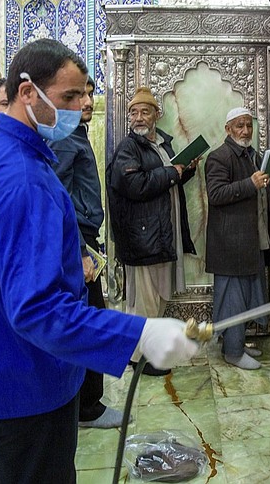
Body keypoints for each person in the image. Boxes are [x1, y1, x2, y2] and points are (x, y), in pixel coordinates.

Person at [0, 39, 198, 483]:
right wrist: (139, 333)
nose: (84, 105)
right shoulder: (23, 177)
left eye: (86, 94)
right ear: (27, 92)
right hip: (23, 388)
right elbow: (36, 308)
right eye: (70, 96)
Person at [48, 75, 123, 428]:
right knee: (90, 319)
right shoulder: (64, 141)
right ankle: (88, 408)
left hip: (84, 238)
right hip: (78, 243)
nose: (88, 102)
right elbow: (58, 202)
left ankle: (88, 404)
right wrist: (80, 250)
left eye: (91, 94)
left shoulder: (74, 135)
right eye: (78, 95)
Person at [107, 86, 198, 376]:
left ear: (157, 115)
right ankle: (138, 358)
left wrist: (187, 169)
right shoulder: (128, 148)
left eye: (145, 111)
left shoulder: (162, 143)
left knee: (158, 297)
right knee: (143, 302)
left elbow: (167, 183)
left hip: (160, 234)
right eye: (133, 112)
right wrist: (173, 171)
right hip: (142, 237)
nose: (138, 117)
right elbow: (134, 186)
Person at [205, 107, 270, 370]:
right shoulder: (219, 157)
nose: (245, 131)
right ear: (228, 129)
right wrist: (250, 183)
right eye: (239, 126)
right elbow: (216, 194)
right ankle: (233, 353)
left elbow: (265, 184)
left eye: (248, 125)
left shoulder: (250, 155)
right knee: (233, 299)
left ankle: (235, 345)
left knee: (245, 298)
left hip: (250, 242)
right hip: (230, 245)